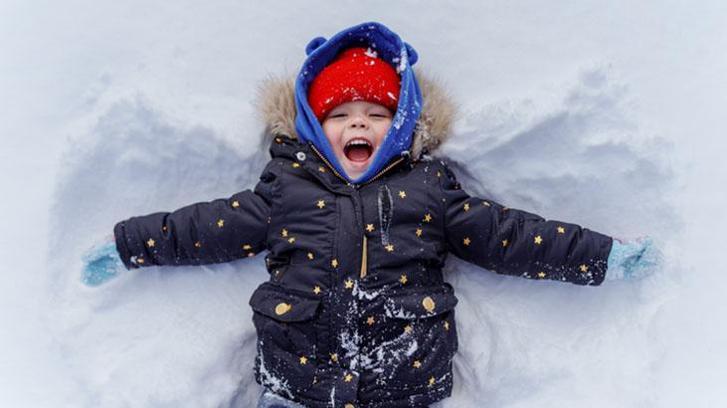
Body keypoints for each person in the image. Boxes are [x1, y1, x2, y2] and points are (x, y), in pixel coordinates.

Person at [82, 22, 660, 408]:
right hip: (297, 386)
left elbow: (508, 236)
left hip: (406, 383)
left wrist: (600, 257)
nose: (358, 123)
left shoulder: (430, 189)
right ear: (312, 128)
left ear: (403, 124)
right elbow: (205, 227)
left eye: (376, 111)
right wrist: (129, 244)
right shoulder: (285, 189)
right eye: (340, 113)